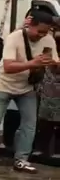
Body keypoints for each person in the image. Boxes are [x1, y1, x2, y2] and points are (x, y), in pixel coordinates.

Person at [0, 10, 59, 173]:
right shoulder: (14, 38)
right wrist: (33, 63)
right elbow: (8, 67)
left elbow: (54, 64)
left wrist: (53, 64)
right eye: (39, 31)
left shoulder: (48, 39)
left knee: (29, 124)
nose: (42, 35)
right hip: (4, 85)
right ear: (30, 26)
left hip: (26, 87)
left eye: (46, 32)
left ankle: (21, 159)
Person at [36, 24, 60, 155]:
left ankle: (45, 150)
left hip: (49, 88)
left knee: (47, 123)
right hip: (48, 88)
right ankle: (44, 150)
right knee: (45, 123)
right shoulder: (48, 44)